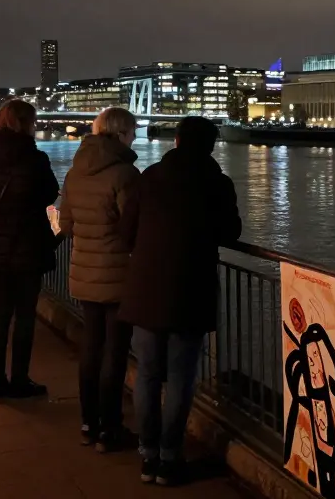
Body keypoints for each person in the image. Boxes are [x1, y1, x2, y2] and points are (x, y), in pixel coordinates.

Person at [120, 116, 242, 486]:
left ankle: (147, 455)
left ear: (175, 141)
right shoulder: (217, 183)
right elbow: (230, 232)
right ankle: (170, 458)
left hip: (145, 289)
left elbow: (126, 233)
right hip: (191, 289)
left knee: (147, 375)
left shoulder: (148, 178)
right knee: (180, 379)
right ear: (211, 146)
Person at [58, 107, 140, 451]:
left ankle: (88, 422)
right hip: (117, 274)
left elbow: (63, 224)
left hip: (83, 272)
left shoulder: (75, 172)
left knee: (90, 348)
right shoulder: (125, 174)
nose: (135, 137)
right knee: (115, 353)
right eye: (132, 132)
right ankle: (110, 428)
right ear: (121, 134)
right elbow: (132, 226)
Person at [0, 99, 60, 399]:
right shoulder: (35, 159)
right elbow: (50, 193)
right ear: (26, 123)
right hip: (28, 245)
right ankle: (20, 379)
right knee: (24, 316)